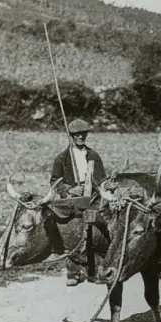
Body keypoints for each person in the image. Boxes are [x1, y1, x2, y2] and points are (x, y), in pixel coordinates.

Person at [50, 118, 107, 286]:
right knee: (73, 234)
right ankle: (73, 272)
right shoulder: (62, 158)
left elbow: (101, 179)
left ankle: (94, 271)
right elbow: (55, 181)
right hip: (71, 201)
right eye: (76, 135)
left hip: (92, 198)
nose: (80, 137)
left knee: (94, 232)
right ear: (71, 136)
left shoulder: (93, 156)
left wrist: (102, 186)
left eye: (83, 134)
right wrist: (69, 190)